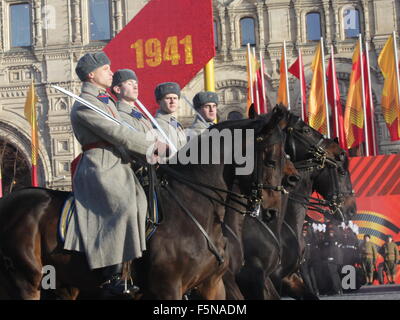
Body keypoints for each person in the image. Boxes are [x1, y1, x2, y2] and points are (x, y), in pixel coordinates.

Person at [64, 52, 162, 295]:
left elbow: (125, 134)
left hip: (118, 162)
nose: (111, 72)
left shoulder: (105, 101)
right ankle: (112, 275)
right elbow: (118, 133)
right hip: (100, 166)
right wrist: (151, 148)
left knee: (145, 200)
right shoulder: (85, 104)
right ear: (91, 74)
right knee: (124, 203)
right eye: (106, 69)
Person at [111, 69, 153, 134]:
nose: (135, 87)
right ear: (118, 89)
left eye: (136, 83)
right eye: (129, 84)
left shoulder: (138, 112)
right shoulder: (119, 114)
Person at [154, 82, 187, 150]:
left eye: (175, 98)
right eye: (168, 98)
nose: (172, 101)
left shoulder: (174, 122)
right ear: (159, 101)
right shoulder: (158, 124)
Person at [320, 227, 343, 295]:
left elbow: (331, 249)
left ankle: (336, 290)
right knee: (335, 274)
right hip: (336, 259)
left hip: (332, 259)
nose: (330, 233)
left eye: (331, 232)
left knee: (333, 274)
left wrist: (330, 257)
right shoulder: (336, 239)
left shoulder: (331, 240)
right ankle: (339, 289)